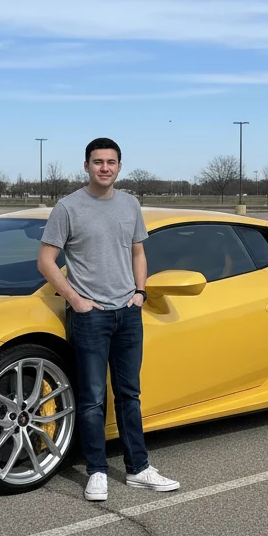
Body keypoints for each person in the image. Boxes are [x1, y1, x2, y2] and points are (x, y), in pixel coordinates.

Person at [37, 137, 179, 502]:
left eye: (111, 162)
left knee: (129, 394)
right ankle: (97, 471)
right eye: (97, 162)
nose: (104, 167)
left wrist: (140, 293)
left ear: (119, 166)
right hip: (90, 317)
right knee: (92, 398)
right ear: (86, 166)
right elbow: (46, 261)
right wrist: (75, 300)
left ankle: (138, 469)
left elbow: (138, 252)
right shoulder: (68, 208)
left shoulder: (130, 205)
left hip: (128, 314)